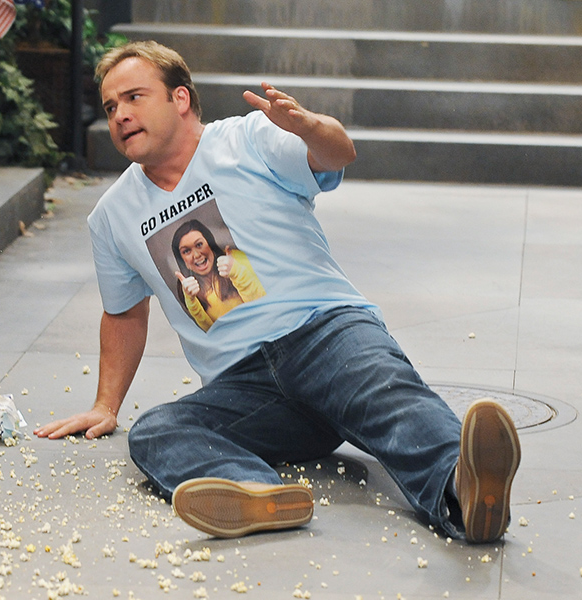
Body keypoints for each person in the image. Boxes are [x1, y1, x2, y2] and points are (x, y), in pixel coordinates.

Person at [34, 40, 521, 544]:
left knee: (392, 397)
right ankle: (258, 495)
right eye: (111, 107)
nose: (119, 116)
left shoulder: (248, 136)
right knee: (156, 432)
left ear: (180, 98)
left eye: (134, 97)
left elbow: (337, 152)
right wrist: (105, 405)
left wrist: (308, 126)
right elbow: (124, 314)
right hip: (245, 387)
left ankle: (463, 493)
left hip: (326, 334)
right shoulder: (112, 216)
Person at [171, 219, 266, 331]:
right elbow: (209, 330)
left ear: (210, 243)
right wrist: (191, 301)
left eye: (199, 244)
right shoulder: (186, 288)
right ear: (183, 261)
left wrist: (237, 272)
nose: (196, 255)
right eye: (186, 251)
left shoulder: (235, 258)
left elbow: (263, 304)